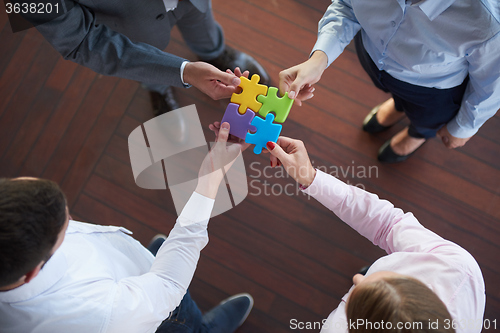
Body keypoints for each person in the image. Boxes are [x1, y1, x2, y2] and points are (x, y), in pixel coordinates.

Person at [0, 122, 254, 333]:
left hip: (125, 276)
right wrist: (211, 176)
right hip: (161, 316)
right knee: (184, 321)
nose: (72, 223)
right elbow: (168, 283)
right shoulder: (104, 313)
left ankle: (150, 260)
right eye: (66, 228)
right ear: (33, 272)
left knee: (155, 259)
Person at [263, 136, 485, 332]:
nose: (357, 279)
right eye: (393, 276)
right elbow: (387, 224)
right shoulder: (459, 269)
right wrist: (310, 178)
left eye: (355, 301)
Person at [279, 0, 500, 162]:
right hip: (372, 54)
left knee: (426, 121)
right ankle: (398, 105)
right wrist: (319, 59)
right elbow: (348, 6)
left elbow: (491, 84)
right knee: (393, 93)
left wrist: (462, 128)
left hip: (432, 89)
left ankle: (417, 134)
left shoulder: (489, 21)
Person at [18, 0, 269, 115]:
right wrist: (179, 71)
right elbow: (80, 40)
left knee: (203, 23)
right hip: (128, 30)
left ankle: (214, 52)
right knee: (150, 62)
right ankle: (158, 86)